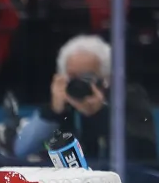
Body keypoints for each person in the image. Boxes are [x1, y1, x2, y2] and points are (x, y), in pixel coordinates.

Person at [13, 35, 157, 164]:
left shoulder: (128, 97)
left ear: (106, 78)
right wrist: (53, 112)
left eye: (86, 77)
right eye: (72, 77)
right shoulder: (62, 104)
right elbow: (22, 149)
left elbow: (144, 152)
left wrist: (99, 113)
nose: (78, 84)